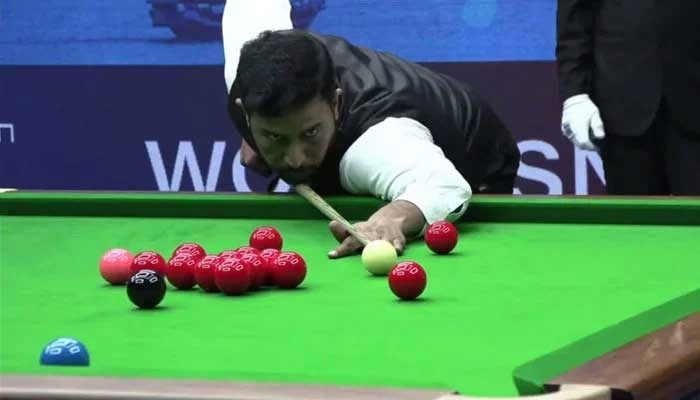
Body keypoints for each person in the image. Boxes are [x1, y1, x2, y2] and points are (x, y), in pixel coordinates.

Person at [223, 0, 520, 258]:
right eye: (275, 135)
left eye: (310, 133)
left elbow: (445, 186)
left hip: (475, 153)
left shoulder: (376, 141)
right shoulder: (247, 63)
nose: (295, 159)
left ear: (337, 104)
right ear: (245, 111)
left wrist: (394, 217)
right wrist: (257, 136)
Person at [556, 0, 700, 195]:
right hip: (622, 104)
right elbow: (575, 20)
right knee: (635, 211)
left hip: (693, 97)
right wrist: (575, 95)